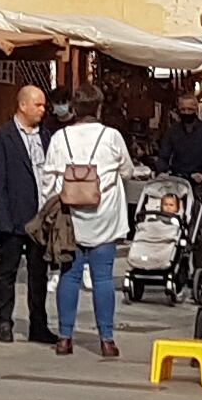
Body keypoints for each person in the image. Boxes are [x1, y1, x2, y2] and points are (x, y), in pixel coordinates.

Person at [42, 97, 134, 360]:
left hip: (70, 217)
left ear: (73, 110)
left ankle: (64, 338)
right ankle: (106, 340)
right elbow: (127, 171)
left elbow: (48, 177)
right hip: (105, 216)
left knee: (69, 276)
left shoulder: (60, 137)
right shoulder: (112, 136)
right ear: (99, 109)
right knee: (102, 278)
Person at [0, 81, 53, 344]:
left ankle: (39, 324)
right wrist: (3, 216)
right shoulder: (4, 136)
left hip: (40, 217)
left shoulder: (46, 136)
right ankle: (4, 321)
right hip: (14, 216)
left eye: (44, 105)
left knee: (39, 273)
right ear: (23, 105)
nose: (43, 110)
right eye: (38, 104)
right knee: (8, 271)